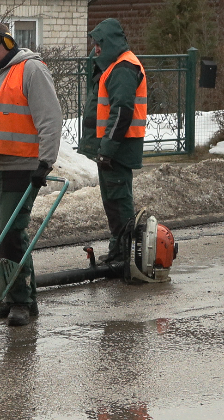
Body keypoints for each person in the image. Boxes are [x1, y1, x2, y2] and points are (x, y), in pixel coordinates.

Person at [0, 22, 62, 327]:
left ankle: (22, 301)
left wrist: (44, 164)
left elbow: (50, 118)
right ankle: (11, 294)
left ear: (8, 43)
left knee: (11, 235)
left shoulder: (31, 70)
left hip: (22, 168)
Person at [77, 18, 147, 263]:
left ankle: (124, 253)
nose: (95, 49)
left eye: (99, 44)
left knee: (119, 200)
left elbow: (122, 111)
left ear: (110, 43)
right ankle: (120, 250)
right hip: (114, 146)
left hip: (118, 147)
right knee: (114, 201)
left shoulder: (124, 67)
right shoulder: (117, 66)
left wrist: (107, 149)